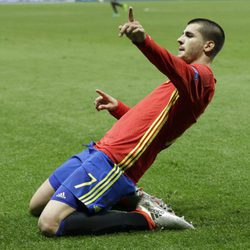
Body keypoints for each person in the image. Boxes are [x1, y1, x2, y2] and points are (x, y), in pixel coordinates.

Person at [29, 7, 225, 236]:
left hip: (116, 162)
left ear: (208, 46)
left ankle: (145, 217)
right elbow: (150, 126)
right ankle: (128, 197)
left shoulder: (202, 79)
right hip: (98, 151)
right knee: (37, 206)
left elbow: (171, 66)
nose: (180, 39)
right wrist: (119, 108)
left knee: (49, 224)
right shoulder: (184, 82)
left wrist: (144, 41)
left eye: (189, 35)